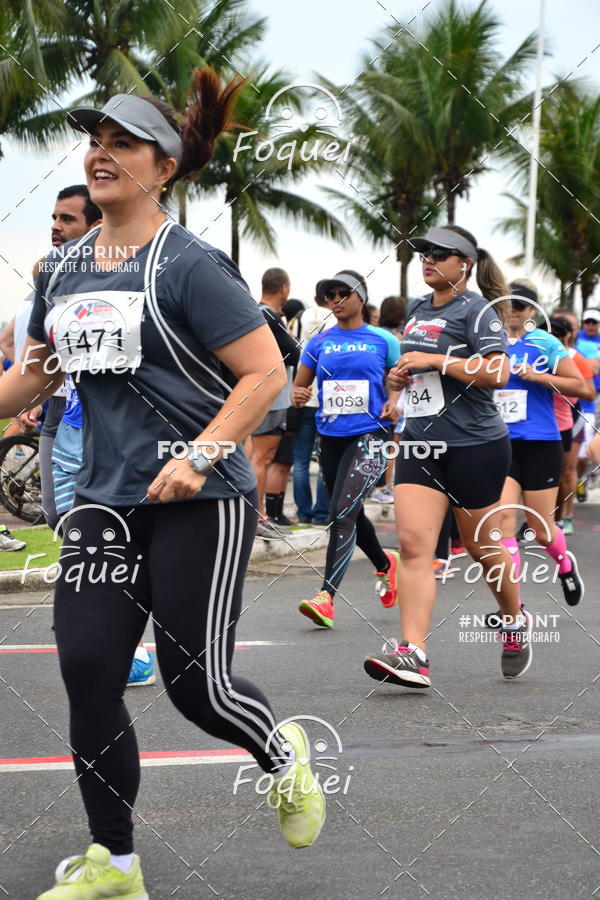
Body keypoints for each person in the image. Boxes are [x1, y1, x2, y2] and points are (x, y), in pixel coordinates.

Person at [0, 74, 325, 899]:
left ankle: (283, 752)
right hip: (104, 504)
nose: (101, 154)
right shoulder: (65, 268)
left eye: (123, 143)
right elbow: (30, 377)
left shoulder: (189, 265)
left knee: (197, 687)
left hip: (199, 502)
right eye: (95, 140)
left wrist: (205, 454)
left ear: (165, 166)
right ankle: (115, 862)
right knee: (88, 670)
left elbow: (266, 374)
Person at [362, 225, 528, 687]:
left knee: (481, 546)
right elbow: (412, 372)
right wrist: (397, 382)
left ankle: (514, 620)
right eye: (424, 252)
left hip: (475, 445)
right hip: (420, 443)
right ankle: (413, 654)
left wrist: (437, 362)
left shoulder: (479, 311)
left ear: (465, 264)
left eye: (440, 253)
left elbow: (499, 372)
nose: (428, 258)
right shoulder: (415, 309)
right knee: (415, 546)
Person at [292, 270, 401, 628]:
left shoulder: (383, 340)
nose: (336, 299)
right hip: (331, 435)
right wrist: (299, 395)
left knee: (341, 511)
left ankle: (326, 598)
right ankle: (385, 565)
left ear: (361, 298)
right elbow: (300, 387)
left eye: (344, 292)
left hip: (372, 433)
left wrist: (395, 400)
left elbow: (398, 379)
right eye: (330, 294)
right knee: (348, 511)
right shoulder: (319, 342)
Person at [483, 281, 586, 627]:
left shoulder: (545, 342)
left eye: (521, 306)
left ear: (531, 312)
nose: (514, 311)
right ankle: (515, 609)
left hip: (542, 443)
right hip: (500, 445)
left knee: (542, 531)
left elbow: (581, 387)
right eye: (508, 305)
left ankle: (565, 564)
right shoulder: (489, 342)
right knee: (502, 524)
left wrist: (540, 376)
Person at [249, 268, 300, 537]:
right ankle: (256, 518)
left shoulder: (255, 311)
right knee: (262, 457)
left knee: (256, 456)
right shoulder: (270, 315)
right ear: (284, 288)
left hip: (262, 395)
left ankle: (255, 515)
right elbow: (295, 355)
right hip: (270, 397)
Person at [549, 315, 595, 534]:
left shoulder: (576, 358)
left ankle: (567, 515)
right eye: (549, 332)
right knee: (549, 472)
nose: (553, 337)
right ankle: (547, 518)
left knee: (567, 471)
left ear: (568, 335)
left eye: (558, 333)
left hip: (572, 417)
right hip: (545, 420)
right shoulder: (538, 354)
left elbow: (588, 392)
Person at [291, 284, 331, 525]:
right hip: (326, 396)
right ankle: (320, 512)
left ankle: (303, 512)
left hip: (302, 390)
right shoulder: (335, 320)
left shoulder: (301, 317)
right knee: (324, 458)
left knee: (301, 460)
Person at [369, 296, 405, 504]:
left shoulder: (373, 334)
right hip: (393, 398)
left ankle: (379, 486)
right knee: (392, 444)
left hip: (373, 398)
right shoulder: (395, 339)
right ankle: (383, 486)